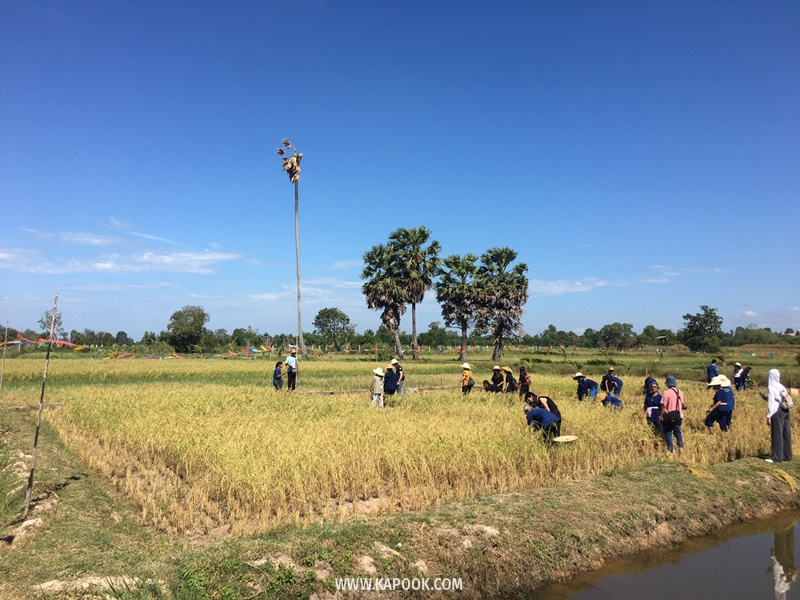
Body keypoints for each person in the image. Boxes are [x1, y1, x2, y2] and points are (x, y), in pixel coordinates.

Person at [766, 368, 792, 463]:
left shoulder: (771, 387)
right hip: (786, 409)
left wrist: (769, 416)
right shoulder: (782, 386)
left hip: (777, 410)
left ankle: (777, 457)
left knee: (777, 433)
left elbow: (772, 403)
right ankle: (787, 456)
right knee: (786, 433)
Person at [659, 375, 685, 453]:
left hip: (668, 416)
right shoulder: (680, 392)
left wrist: (661, 416)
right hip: (679, 415)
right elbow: (682, 403)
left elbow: (664, 405)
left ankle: (671, 450)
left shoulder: (666, 393)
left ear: (667, 384)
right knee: (678, 431)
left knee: (668, 432)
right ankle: (680, 447)